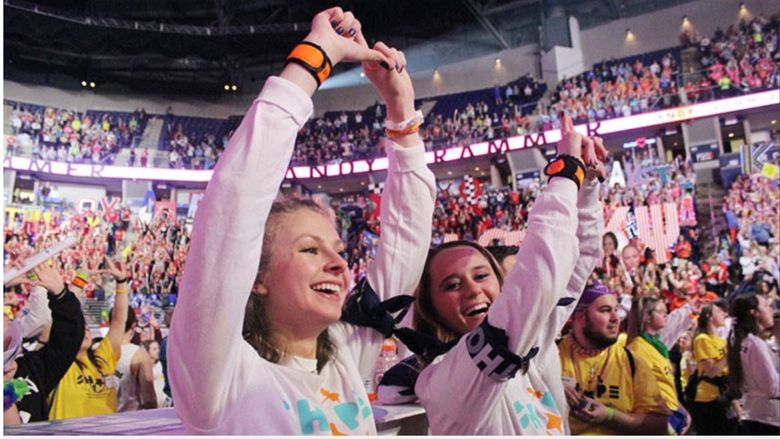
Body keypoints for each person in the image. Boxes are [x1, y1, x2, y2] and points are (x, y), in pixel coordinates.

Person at [168, 8, 436, 434]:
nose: (338, 264)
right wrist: (314, 58)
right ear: (258, 276)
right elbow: (233, 208)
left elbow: (405, 248)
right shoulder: (220, 376)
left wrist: (402, 117)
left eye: (338, 251)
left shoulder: (346, 354)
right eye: (310, 249)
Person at [379, 114, 608, 434]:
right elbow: (538, 281)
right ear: (431, 309)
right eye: (453, 284)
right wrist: (566, 170)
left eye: (482, 275)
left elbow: (578, 258)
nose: (472, 289)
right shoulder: (445, 382)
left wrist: (588, 184)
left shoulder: (535, 341)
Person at [559, 283, 670, 435]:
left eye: (616, 310)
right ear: (580, 317)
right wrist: (552, 389)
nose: (616, 318)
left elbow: (659, 426)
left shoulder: (632, 362)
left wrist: (610, 416)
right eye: (605, 310)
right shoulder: (550, 356)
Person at [48, 256, 130, 420]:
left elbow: (119, 321)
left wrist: (121, 281)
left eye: (86, 327)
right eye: (79, 328)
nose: (84, 330)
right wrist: (81, 278)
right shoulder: (60, 365)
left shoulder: (103, 357)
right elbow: (62, 313)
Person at [4, 261, 85, 423]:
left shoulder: (33, 368)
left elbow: (68, 338)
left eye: (7, 322)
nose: (8, 323)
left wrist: (60, 295)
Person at [627, 296, 691, 434]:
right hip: (658, 417)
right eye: (661, 311)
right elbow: (644, 391)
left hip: (672, 412)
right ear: (647, 317)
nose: (665, 314)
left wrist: (683, 411)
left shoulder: (658, 346)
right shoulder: (638, 348)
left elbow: (665, 384)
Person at [727, 294, 779, 435]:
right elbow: (772, 388)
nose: (771, 311)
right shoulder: (755, 344)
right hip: (767, 419)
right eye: (766, 307)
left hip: (755, 415)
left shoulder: (742, 341)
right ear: (754, 313)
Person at [688, 299, 736, 434]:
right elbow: (711, 371)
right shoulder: (702, 339)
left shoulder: (721, 340)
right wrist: (728, 355)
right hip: (707, 399)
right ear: (709, 316)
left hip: (723, 396)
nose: (723, 314)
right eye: (718, 311)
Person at [115, 307, 158, 412]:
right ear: (134, 325)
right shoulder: (139, 355)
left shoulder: (97, 351)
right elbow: (149, 399)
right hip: (129, 417)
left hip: (100, 418)